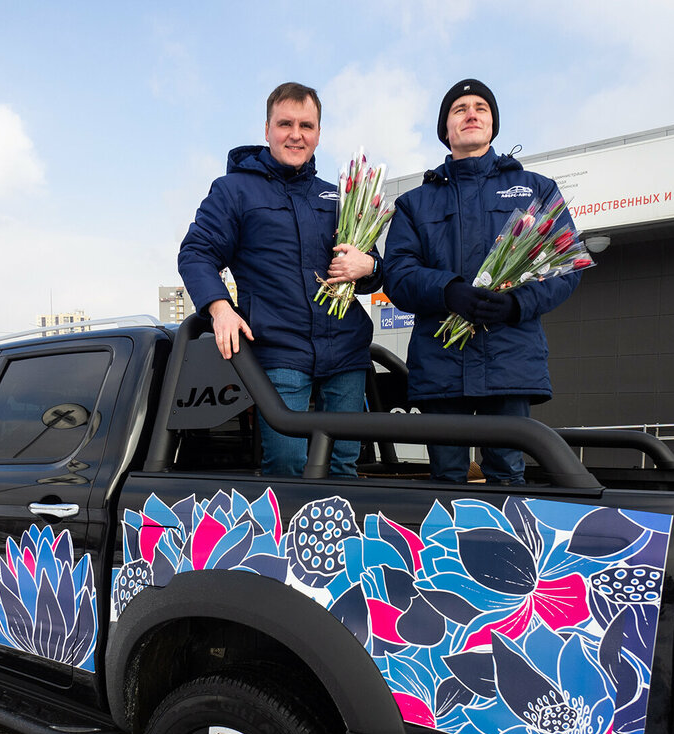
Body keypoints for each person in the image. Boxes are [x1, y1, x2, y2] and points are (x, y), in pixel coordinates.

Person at [177, 82, 381, 478]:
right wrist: (219, 309)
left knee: (344, 466)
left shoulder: (337, 198)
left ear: (318, 133)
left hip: (346, 353)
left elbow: (373, 273)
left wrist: (369, 266)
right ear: (267, 129)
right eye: (285, 124)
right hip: (279, 352)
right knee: (286, 465)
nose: (296, 134)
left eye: (306, 125)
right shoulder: (234, 191)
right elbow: (197, 252)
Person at [383, 79, 581, 484]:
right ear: (446, 129)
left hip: (509, 361)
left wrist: (517, 303)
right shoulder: (415, 203)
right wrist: (448, 291)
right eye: (459, 109)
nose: (470, 114)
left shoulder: (536, 190)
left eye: (481, 108)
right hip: (441, 362)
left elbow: (566, 266)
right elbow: (398, 274)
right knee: (446, 478)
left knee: (508, 476)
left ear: (493, 125)